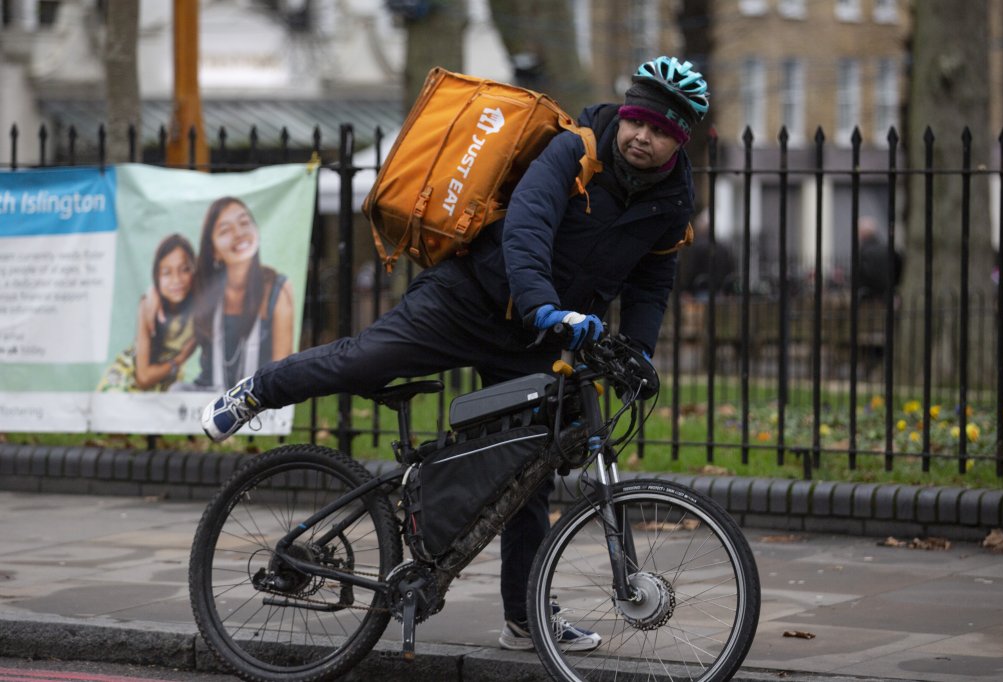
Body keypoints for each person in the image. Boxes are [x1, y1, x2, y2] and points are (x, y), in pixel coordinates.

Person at [201, 56, 708, 651]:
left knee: (529, 476)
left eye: (661, 129)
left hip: (539, 337)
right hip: (469, 299)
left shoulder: (672, 201)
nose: (642, 137)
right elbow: (527, 225)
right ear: (623, 114)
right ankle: (258, 389)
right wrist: (542, 301)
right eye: (637, 121)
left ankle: (526, 620)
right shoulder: (577, 150)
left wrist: (638, 353)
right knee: (366, 359)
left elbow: (652, 281)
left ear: (680, 139)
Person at [192, 196, 295, 390]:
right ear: (213, 250)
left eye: (244, 223)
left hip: (261, 399)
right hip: (206, 399)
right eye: (225, 230)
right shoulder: (206, 291)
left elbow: (282, 371)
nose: (238, 234)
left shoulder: (277, 289)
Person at [98, 233, 197, 392]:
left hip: (165, 387)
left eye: (184, 269)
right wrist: (179, 360)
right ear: (157, 277)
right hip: (125, 383)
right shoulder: (149, 305)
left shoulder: (202, 306)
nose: (176, 279)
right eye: (167, 272)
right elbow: (143, 378)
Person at [855, 216, 902, 301]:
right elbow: (899, 266)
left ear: (862, 233)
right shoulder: (887, 248)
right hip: (888, 294)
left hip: (869, 295)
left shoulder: (864, 251)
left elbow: (861, 274)